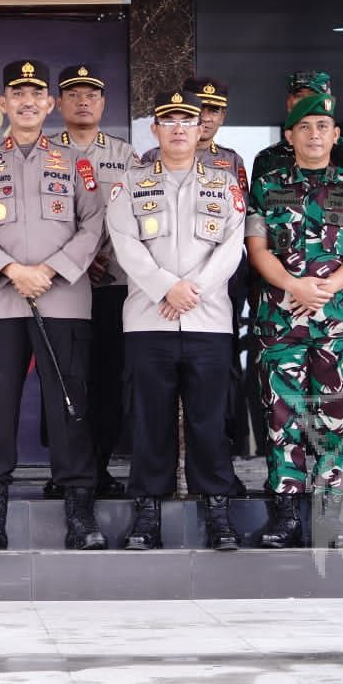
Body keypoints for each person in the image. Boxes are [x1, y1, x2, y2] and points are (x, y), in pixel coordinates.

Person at [0, 59, 106, 551]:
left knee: (71, 406)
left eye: (36, 95)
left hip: (63, 297)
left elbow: (93, 226)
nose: (27, 102)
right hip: (1, 300)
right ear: (2, 104)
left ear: (50, 104)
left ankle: (81, 512)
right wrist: (12, 271)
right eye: (16, 94)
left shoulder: (75, 163)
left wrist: (49, 270)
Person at [108, 91, 245, 551]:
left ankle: (217, 509)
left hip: (208, 321)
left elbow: (234, 246)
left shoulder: (225, 184)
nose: (181, 128)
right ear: (156, 130)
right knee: (150, 419)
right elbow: (124, 243)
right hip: (149, 319)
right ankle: (146, 510)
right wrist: (166, 286)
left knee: (210, 419)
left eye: (188, 119)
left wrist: (192, 291)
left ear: (201, 126)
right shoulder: (130, 182)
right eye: (170, 121)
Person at [246, 92, 343, 548]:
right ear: (289, 136)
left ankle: (331, 516)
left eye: (323, 126)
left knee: (335, 419)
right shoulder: (266, 185)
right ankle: (284, 516)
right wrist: (293, 286)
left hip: (339, 323)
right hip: (280, 323)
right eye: (304, 127)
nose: (314, 134)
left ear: (336, 134)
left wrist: (327, 288)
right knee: (282, 418)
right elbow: (257, 248)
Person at [143, 77, 253, 469]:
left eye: (213, 110)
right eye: (198, 110)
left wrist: (200, 286)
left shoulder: (232, 161)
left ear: (222, 116)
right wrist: (168, 287)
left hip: (217, 285)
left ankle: (227, 451)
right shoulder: (147, 164)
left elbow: (237, 229)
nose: (204, 118)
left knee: (220, 376)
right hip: (159, 293)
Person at [53, 64, 136, 499]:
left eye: (91, 94)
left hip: (113, 284)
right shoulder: (45, 151)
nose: (83, 101)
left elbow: (136, 215)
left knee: (106, 378)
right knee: (64, 377)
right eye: (73, 94)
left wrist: (102, 257)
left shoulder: (124, 156)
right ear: (59, 103)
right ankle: (63, 469)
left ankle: (101, 466)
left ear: (103, 104)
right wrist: (78, 260)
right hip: (63, 286)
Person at [250, 71, 343, 185]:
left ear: (330, 102)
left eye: (314, 96)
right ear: (289, 103)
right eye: (299, 96)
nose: (307, 102)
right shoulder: (267, 158)